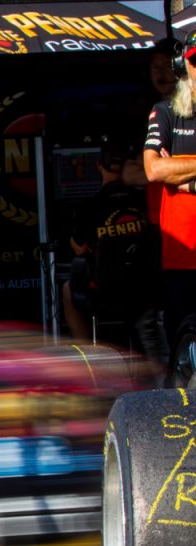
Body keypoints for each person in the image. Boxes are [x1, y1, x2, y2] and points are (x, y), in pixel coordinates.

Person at [61, 138, 165, 364]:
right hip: (146, 289)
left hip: (105, 292)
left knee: (68, 289)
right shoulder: (144, 200)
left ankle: (88, 355)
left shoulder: (90, 206)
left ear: (99, 165)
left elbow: (78, 248)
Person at [143, 30, 196, 351]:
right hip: (181, 255)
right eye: (194, 62)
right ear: (183, 66)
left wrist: (179, 172)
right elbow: (153, 169)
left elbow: (165, 169)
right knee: (181, 350)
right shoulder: (165, 111)